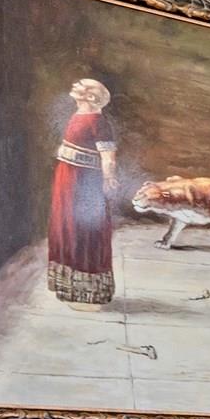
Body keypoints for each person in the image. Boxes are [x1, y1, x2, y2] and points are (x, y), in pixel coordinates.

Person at [46, 77, 121, 306]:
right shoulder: (76, 116)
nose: (75, 86)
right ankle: (67, 285)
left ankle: (86, 290)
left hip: (85, 181)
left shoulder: (98, 122)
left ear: (91, 96)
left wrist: (109, 178)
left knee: (83, 228)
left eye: (81, 85)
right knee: (65, 224)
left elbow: (108, 156)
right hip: (66, 177)